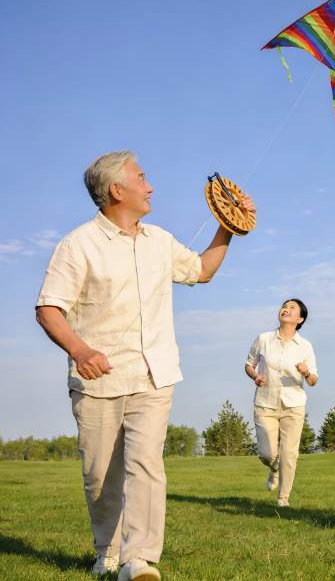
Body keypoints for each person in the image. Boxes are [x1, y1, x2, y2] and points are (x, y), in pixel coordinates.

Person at [35, 150, 255, 580]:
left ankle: (139, 559)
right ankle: (107, 550)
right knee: (101, 476)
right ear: (117, 190)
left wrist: (227, 225)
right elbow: (48, 309)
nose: (150, 186)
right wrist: (80, 351)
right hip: (98, 380)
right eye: (142, 178)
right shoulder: (78, 244)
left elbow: (202, 271)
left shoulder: (159, 240)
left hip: (156, 374)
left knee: (146, 464)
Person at [244, 298, 318, 507]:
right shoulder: (264, 339)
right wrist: (255, 376)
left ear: (300, 319)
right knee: (266, 454)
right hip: (265, 402)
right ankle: (274, 468)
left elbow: (313, 380)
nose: (286, 309)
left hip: (293, 405)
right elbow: (249, 365)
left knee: (289, 454)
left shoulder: (305, 346)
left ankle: (283, 499)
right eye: (284, 306)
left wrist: (306, 372)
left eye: (292, 308)